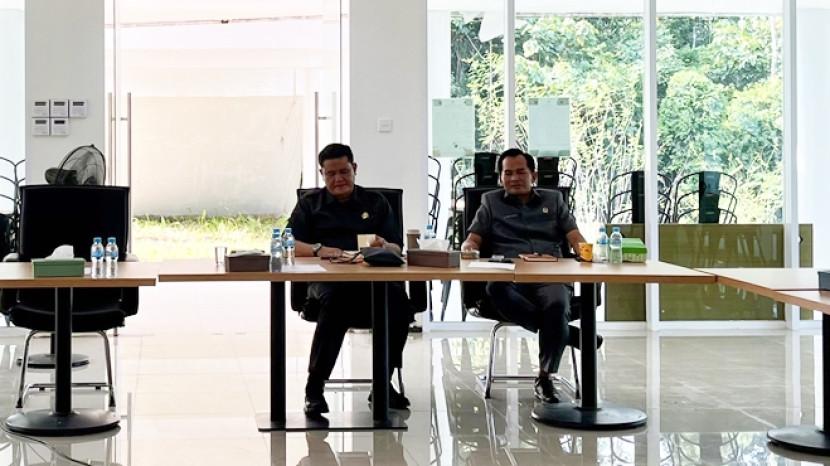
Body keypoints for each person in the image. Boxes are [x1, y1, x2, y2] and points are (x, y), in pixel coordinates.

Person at [287, 143, 412, 417]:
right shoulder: (310, 204)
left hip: (372, 279)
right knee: (338, 300)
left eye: (344, 171)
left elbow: (397, 248)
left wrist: (384, 245)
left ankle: (382, 383)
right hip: (327, 282)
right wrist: (319, 249)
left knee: (399, 302)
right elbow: (287, 243)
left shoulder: (376, 202)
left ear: (354, 169)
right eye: (331, 174)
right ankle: (314, 388)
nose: (338, 179)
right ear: (322, 174)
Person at [461, 148, 587, 404]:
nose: (514, 178)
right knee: (495, 288)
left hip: (549, 273)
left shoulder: (554, 200)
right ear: (500, 177)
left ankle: (545, 377)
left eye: (521, 172)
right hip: (510, 275)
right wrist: (468, 248)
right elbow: (473, 239)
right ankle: (563, 332)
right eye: (508, 173)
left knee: (557, 303)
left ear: (534, 175)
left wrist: (587, 253)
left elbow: (575, 236)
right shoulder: (490, 201)